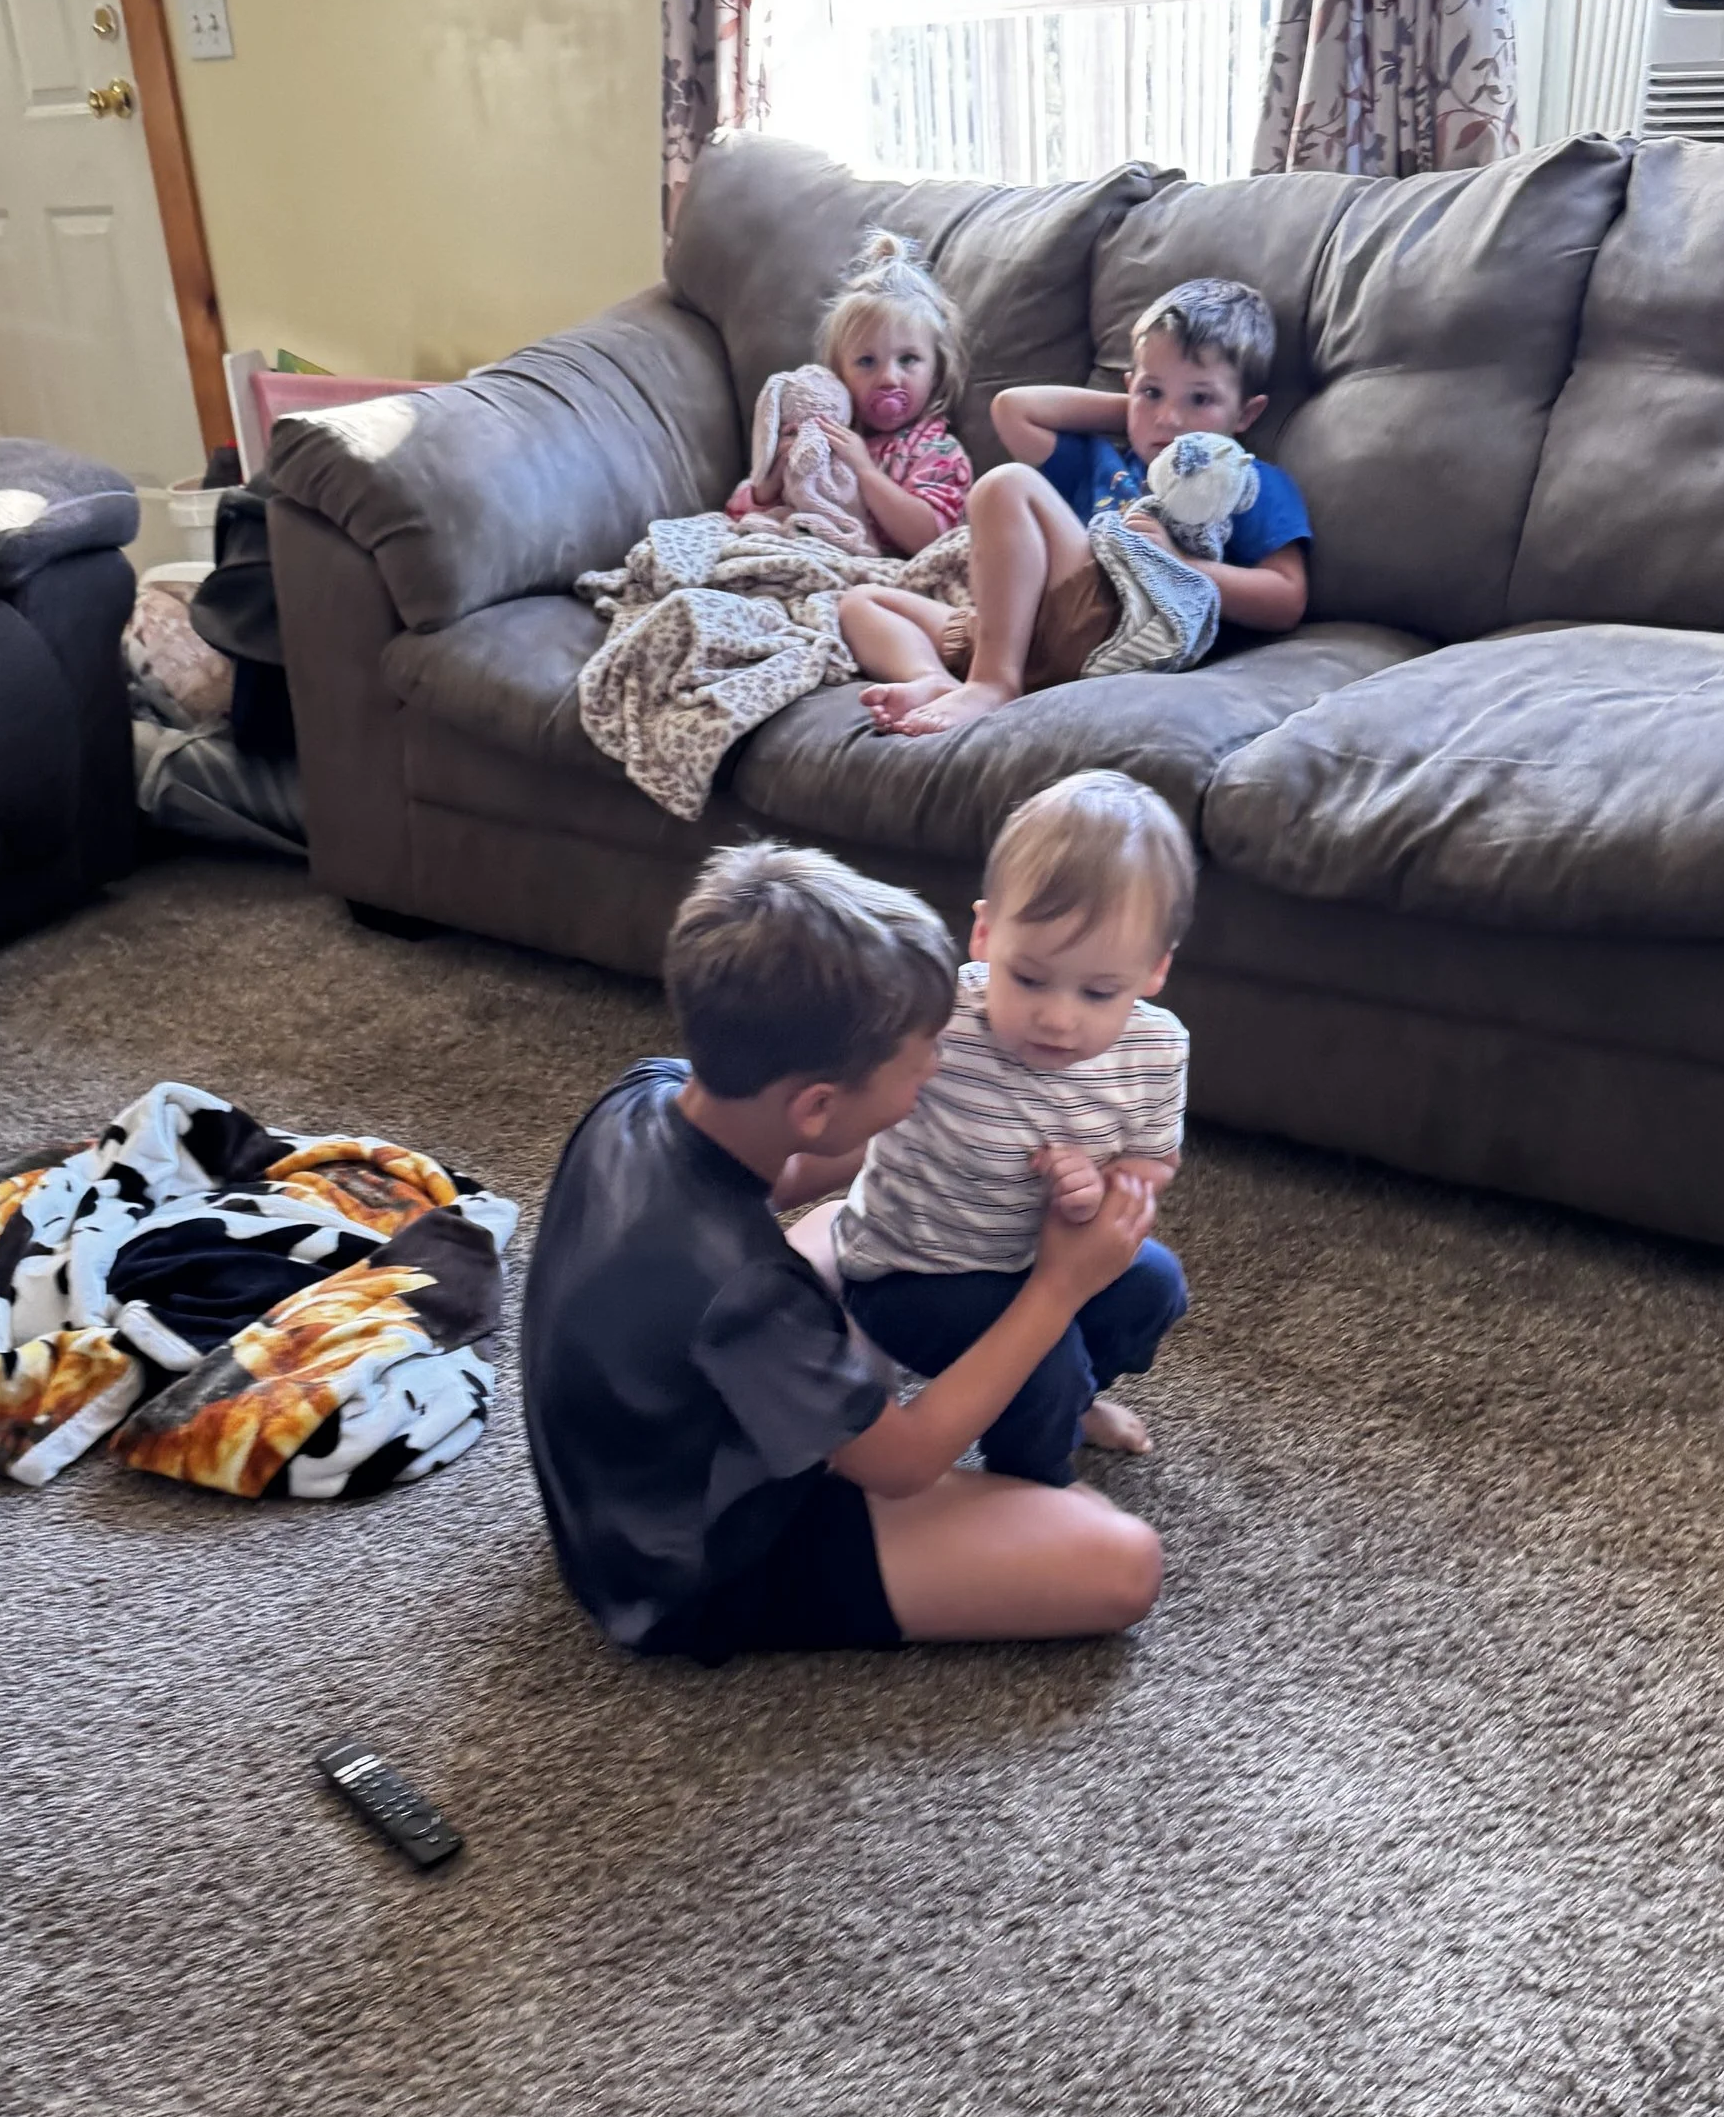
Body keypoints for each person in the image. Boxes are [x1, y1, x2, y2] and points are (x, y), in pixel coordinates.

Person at [520, 842, 1166, 1662]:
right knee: (1120, 1560)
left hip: (625, 1467)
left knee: (839, 1228)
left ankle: (850, 1406)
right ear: (819, 1103)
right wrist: (1058, 1287)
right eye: (923, 1058)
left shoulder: (644, 1090)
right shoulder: (743, 1290)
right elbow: (904, 1463)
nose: (941, 1061)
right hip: (687, 1566)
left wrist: (942, 1139)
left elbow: (787, 1168)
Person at [828, 772, 1193, 1488]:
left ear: (1153, 971)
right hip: (913, 1270)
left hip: (1039, 1260)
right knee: (1043, 1364)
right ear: (987, 932)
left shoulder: (1157, 1049)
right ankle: (1031, 1485)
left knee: (1156, 1285)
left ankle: (1075, 1401)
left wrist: (1101, 1186)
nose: (1058, 1018)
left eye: (1098, 992)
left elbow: (1153, 1164)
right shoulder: (939, 1014)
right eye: (1028, 978)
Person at [847, 274, 1313, 738]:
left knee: (1005, 484)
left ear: (1247, 414)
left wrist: (1180, 563)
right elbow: (1013, 409)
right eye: (1153, 392)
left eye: (1201, 398)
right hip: (1023, 629)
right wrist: (1136, 413)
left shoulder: (1247, 482)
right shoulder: (1103, 460)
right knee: (860, 603)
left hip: (1118, 620)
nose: (1169, 418)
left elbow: (1286, 599)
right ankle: (934, 680)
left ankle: (991, 684)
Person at [729, 230, 975, 559]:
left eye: (908, 359)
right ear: (839, 375)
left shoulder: (937, 451)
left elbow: (932, 538)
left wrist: (865, 471)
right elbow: (740, 517)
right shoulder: (823, 437)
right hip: (810, 553)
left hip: (886, 579)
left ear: (936, 371)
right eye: (866, 361)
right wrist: (769, 486)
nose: (888, 377)